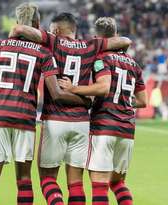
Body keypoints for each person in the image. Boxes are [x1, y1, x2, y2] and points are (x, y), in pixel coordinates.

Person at [0, 3, 90, 205]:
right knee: (24, 180)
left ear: (16, 23)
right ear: (37, 24)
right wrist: (84, 100)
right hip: (25, 119)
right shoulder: (43, 53)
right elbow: (56, 93)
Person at [9, 12, 132, 205]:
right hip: (82, 123)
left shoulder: (53, 41)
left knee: (48, 179)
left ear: (56, 30)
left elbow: (19, 29)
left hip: (55, 120)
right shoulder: (91, 45)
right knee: (76, 184)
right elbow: (124, 41)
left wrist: (11, 41)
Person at [59, 17, 147, 205]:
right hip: (127, 130)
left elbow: (102, 87)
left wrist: (73, 88)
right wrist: (122, 100)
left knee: (99, 185)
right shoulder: (134, 64)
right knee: (118, 183)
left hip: (104, 127)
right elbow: (142, 101)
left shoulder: (101, 58)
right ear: (115, 35)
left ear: (97, 37)